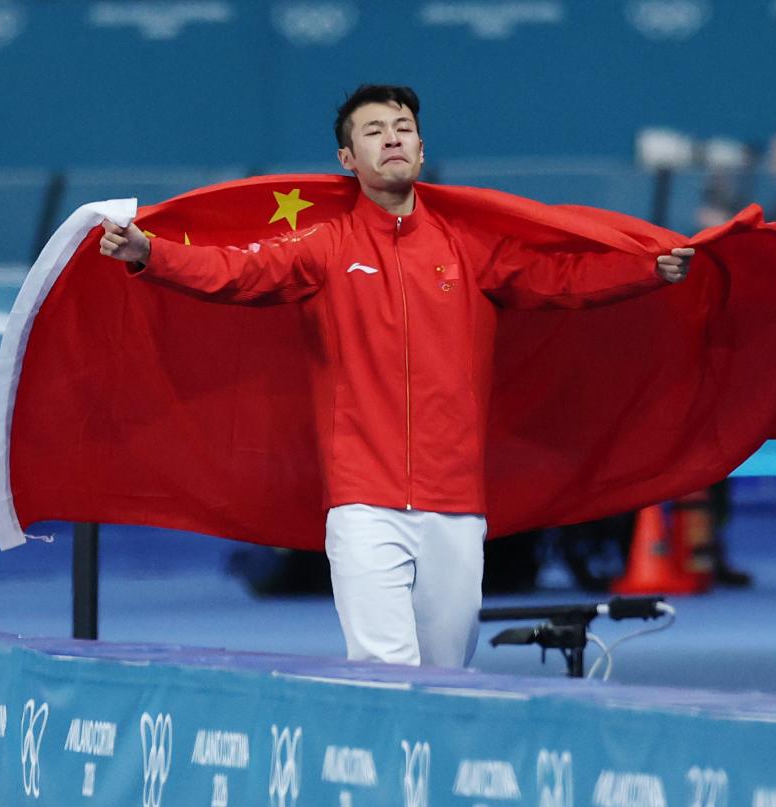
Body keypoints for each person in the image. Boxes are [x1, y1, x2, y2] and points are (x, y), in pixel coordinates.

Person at [98, 85, 693, 667]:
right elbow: (235, 271)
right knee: (385, 668)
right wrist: (152, 254)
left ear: (421, 150)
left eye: (403, 129)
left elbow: (562, 279)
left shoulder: (468, 247)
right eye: (374, 131)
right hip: (363, 502)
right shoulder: (325, 245)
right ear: (347, 158)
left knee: (446, 674)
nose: (392, 140)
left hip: (455, 503)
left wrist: (647, 269)